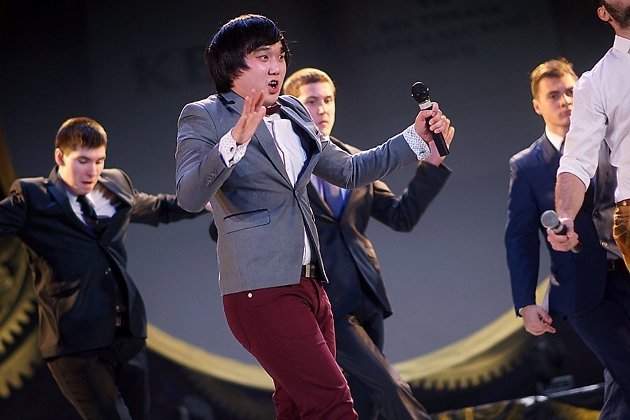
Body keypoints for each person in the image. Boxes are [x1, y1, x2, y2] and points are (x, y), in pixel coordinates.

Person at [175, 14, 452, 420]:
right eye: (264, 57)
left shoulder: (291, 110)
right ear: (233, 64)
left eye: (280, 56)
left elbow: (350, 170)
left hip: (312, 284)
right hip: (261, 289)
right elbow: (188, 196)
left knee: (295, 406)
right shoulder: (204, 115)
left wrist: (416, 138)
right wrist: (234, 141)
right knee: (333, 404)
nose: (276, 66)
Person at [0, 117, 201, 419]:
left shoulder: (114, 184)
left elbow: (159, 208)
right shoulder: (32, 197)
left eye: (99, 161)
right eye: (82, 161)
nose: (92, 171)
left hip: (126, 334)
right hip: (76, 343)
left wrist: (203, 201)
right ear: (60, 157)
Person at [282, 67, 452, 419]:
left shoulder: (355, 160)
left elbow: (401, 217)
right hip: (324, 302)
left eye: (328, 100)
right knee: (389, 386)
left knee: (363, 403)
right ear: (292, 108)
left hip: (367, 296)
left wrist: (431, 166)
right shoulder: (283, 166)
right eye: (311, 101)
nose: (322, 109)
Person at [506, 57, 630, 418]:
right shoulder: (527, 166)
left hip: (626, 267)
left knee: (621, 383)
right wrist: (525, 302)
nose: (565, 101)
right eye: (554, 95)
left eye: (571, 92)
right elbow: (520, 238)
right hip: (583, 289)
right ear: (537, 105)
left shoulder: (612, 141)